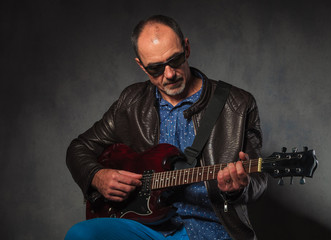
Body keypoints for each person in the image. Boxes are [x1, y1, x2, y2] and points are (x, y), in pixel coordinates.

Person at [65, 15, 267, 240]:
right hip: (147, 227)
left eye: (175, 60)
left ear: (187, 48)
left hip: (211, 229)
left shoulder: (238, 104)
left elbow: (258, 178)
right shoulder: (131, 102)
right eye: (156, 69)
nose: (169, 74)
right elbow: (79, 148)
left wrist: (239, 187)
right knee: (81, 234)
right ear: (141, 66)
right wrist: (96, 175)